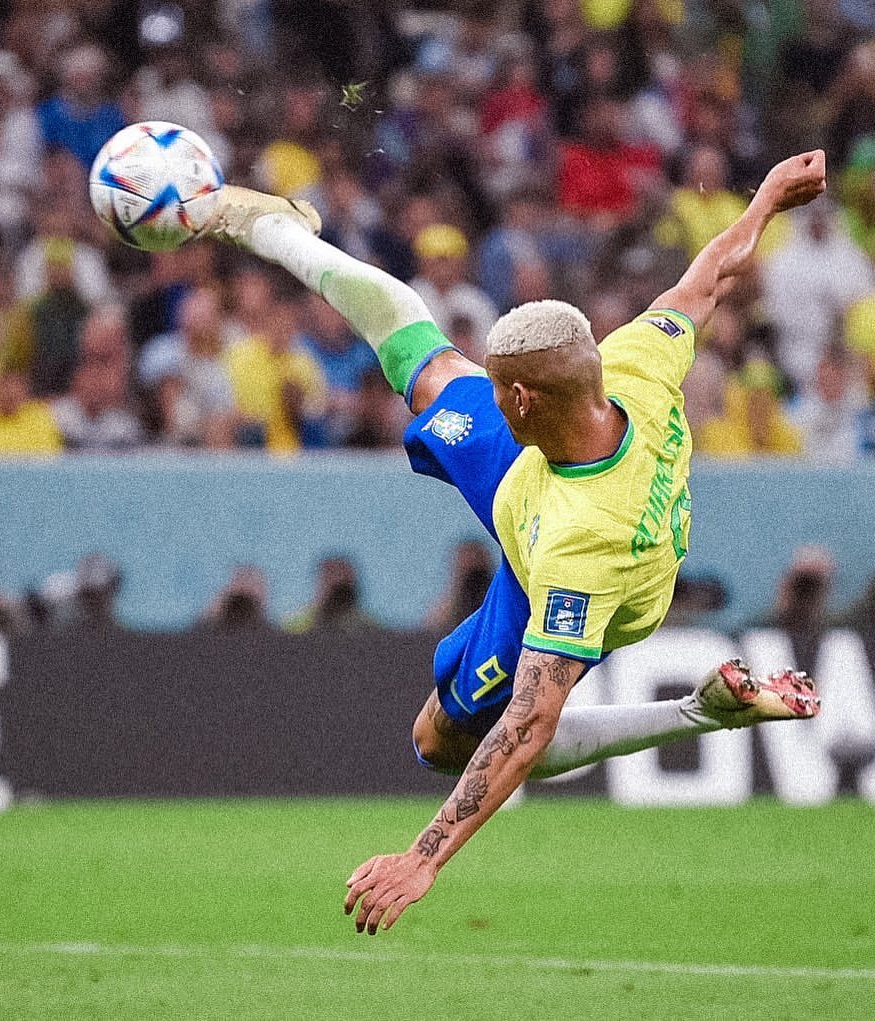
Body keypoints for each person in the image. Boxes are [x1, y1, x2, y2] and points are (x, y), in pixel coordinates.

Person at [196, 148, 827, 933]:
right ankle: (277, 231)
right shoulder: (632, 365)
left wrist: (422, 856)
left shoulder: (578, 553)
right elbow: (706, 280)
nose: (486, 392)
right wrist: (765, 200)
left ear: (521, 397)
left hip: (568, 559)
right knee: (421, 359)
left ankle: (697, 712)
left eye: (496, 387)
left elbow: (529, 728)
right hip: (540, 469)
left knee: (441, 741)